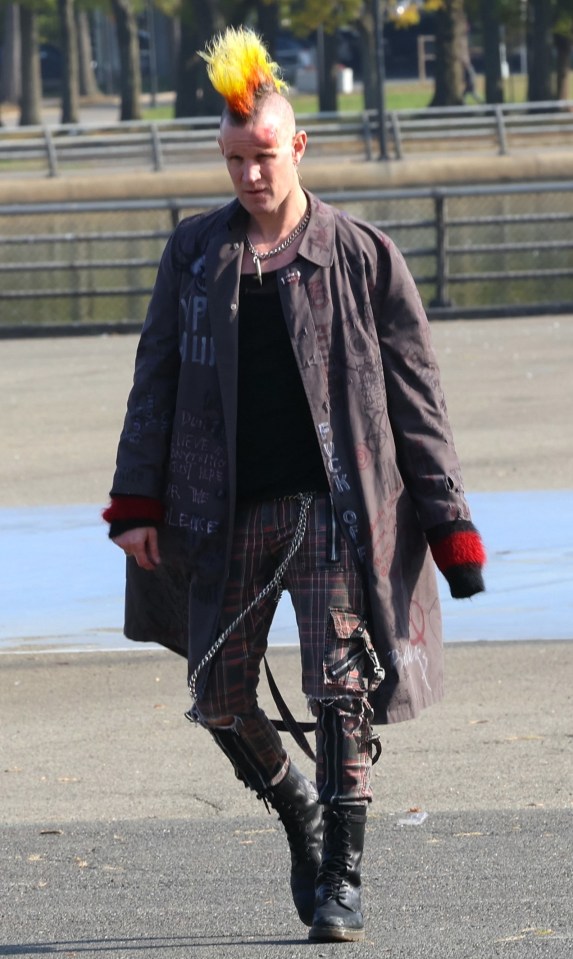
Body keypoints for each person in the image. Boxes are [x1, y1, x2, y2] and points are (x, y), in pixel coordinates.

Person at [103, 26, 486, 944]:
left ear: (297, 146)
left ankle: (343, 877)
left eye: (262, 155)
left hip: (337, 510)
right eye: (233, 158)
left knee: (339, 686)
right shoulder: (193, 257)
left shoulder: (363, 255)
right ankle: (297, 809)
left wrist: (450, 524)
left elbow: (416, 399)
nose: (247, 175)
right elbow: (154, 376)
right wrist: (134, 503)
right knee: (217, 691)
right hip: (218, 510)